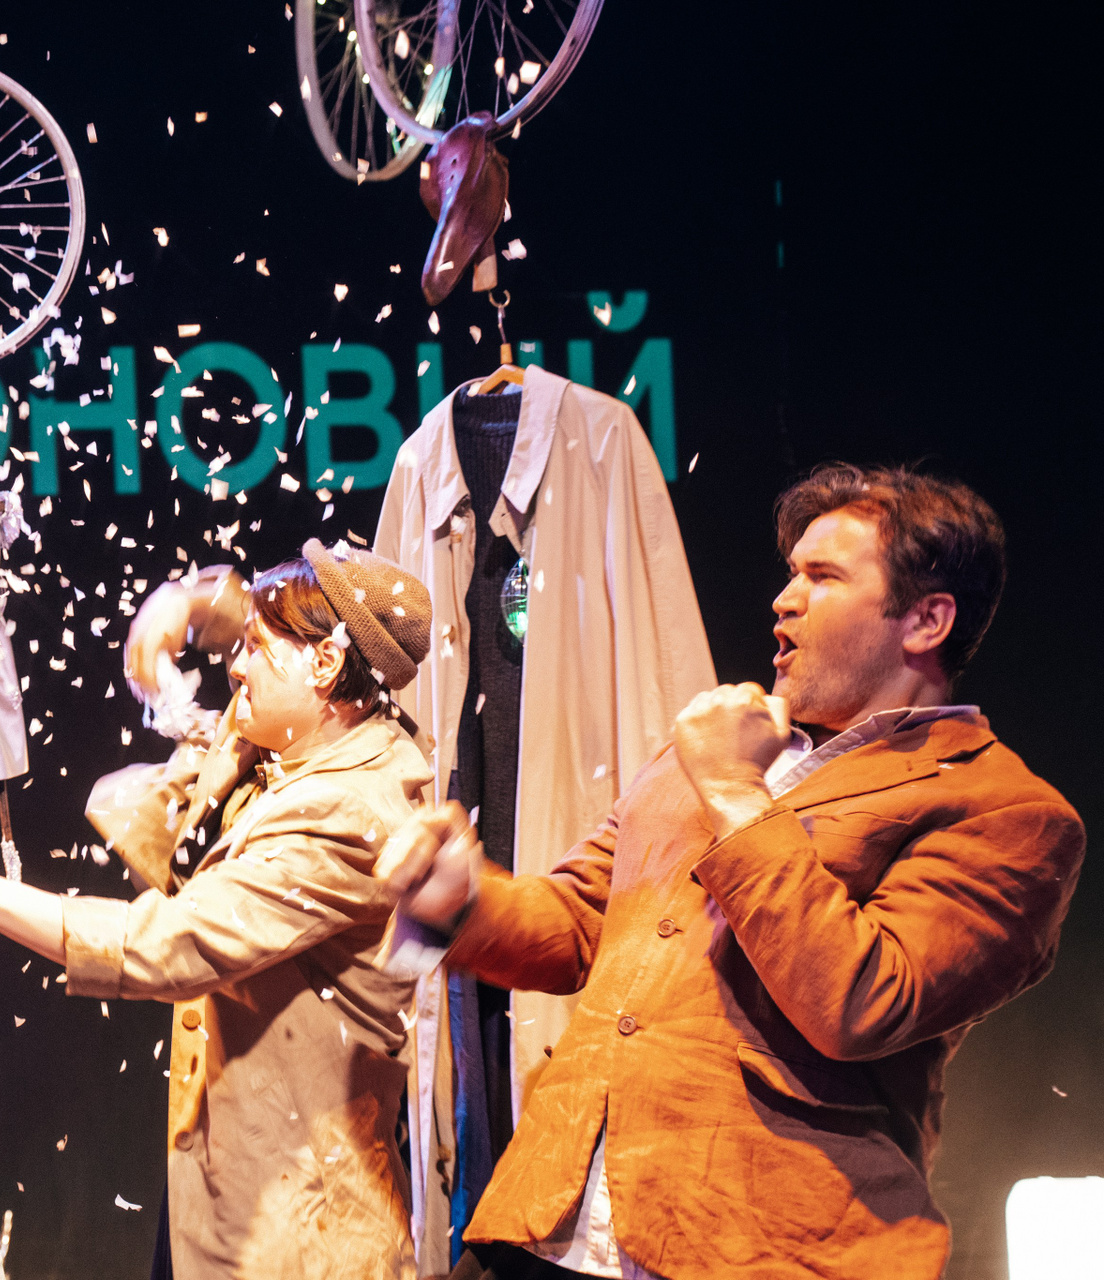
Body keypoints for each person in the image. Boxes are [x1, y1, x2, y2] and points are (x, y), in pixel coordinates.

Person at [376, 464, 1086, 1280]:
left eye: (823, 577)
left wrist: (735, 793)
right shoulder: (719, 750)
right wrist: (460, 903)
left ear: (927, 620)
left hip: (759, 1248)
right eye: (791, 574)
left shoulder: (1006, 811)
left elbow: (862, 1000)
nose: (784, 599)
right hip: (551, 1220)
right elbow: (577, 925)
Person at [0, 540, 436, 1280]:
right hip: (228, 1188)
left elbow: (166, 944)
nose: (236, 668)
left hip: (298, 1234)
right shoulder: (323, 735)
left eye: (256, 649)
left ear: (326, 664)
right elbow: (239, 631)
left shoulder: (346, 815)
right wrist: (192, 602)